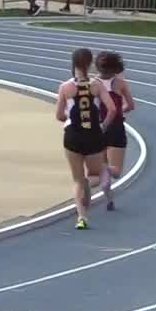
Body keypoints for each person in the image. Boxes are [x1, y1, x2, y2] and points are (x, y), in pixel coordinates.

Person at [55, 48, 117, 230]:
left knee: (77, 180)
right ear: (90, 63)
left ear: (73, 63)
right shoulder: (97, 85)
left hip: (73, 136)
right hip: (94, 136)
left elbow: (59, 115)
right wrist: (102, 126)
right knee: (95, 175)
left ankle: (82, 217)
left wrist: (69, 118)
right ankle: (91, 186)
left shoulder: (65, 87)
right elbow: (112, 109)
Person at [95, 51, 134, 211]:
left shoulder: (91, 83)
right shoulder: (120, 83)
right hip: (115, 128)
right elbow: (130, 106)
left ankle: (109, 199)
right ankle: (104, 176)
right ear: (116, 68)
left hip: (96, 128)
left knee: (103, 168)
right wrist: (119, 110)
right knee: (116, 172)